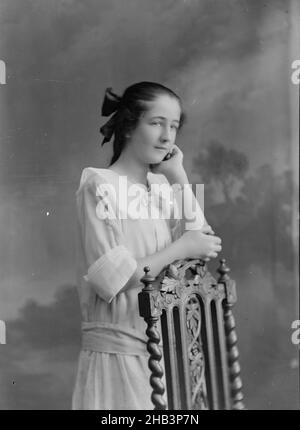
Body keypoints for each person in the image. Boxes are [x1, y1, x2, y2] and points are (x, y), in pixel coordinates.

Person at [72, 82, 222, 410]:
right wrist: (180, 248)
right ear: (128, 125)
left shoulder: (161, 186)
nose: (168, 136)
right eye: (156, 123)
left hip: (164, 357)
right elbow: (111, 279)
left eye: (174, 126)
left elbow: (205, 246)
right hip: (119, 358)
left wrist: (178, 176)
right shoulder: (100, 186)